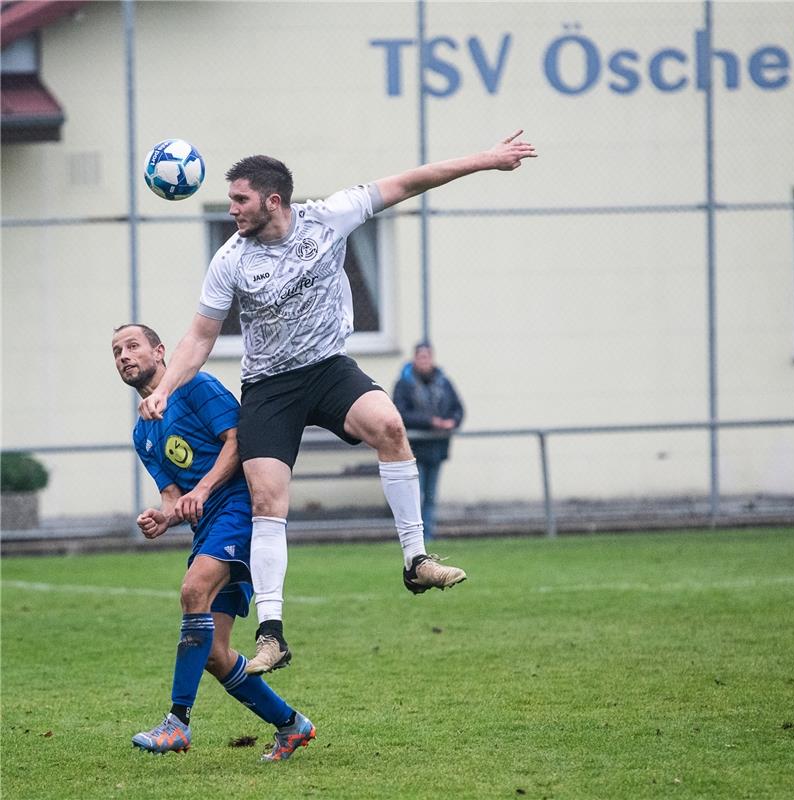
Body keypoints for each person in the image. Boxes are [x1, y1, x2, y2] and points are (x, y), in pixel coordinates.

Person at [137, 130, 537, 673]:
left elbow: (410, 180)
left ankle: (416, 559)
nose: (231, 209)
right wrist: (163, 389)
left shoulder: (331, 215)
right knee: (267, 501)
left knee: (390, 427)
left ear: (272, 201)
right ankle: (272, 634)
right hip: (270, 386)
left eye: (239, 200)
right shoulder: (230, 259)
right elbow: (199, 338)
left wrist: (488, 160)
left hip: (327, 369)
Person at [112, 323, 314, 761]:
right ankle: (292, 725)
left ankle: (177, 723)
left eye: (132, 346)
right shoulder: (142, 434)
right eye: (116, 352)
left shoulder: (197, 386)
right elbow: (172, 496)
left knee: (192, 590)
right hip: (210, 527)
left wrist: (202, 490)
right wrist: (162, 518)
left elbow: (239, 440)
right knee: (216, 654)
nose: (123, 356)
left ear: (160, 351)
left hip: (241, 507)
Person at [393, 342, 464, 541]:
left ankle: (428, 536)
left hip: (437, 447)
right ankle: (414, 538)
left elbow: (458, 408)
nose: (424, 360)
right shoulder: (404, 384)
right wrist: (429, 422)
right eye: (420, 357)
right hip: (413, 449)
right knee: (416, 497)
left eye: (427, 357)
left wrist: (452, 422)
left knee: (431, 496)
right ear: (414, 358)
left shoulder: (444, 382)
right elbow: (399, 413)